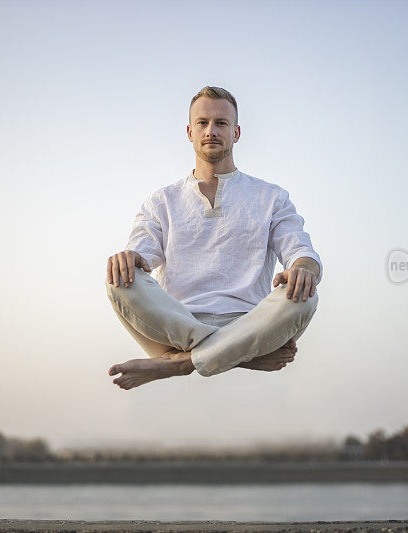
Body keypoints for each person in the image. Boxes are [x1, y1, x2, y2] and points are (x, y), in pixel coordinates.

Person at [105, 86, 322, 390]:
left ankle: (181, 362)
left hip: (250, 322)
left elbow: (302, 251)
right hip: (178, 324)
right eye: (202, 123)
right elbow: (141, 253)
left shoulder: (271, 197)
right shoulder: (162, 201)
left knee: (306, 294)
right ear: (189, 132)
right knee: (118, 277)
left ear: (236, 132)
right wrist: (130, 259)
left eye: (221, 123)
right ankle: (241, 356)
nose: (211, 131)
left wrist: (303, 270)